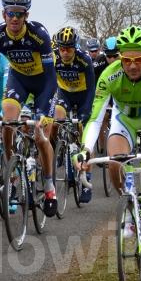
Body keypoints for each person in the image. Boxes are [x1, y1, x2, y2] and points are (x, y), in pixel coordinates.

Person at [75, 25, 141, 275]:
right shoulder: (109, 75)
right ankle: (130, 207)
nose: (132, 66)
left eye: (139, 60)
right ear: (120, 58)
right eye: (127, 60)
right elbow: (95, 118)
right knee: (115, 162)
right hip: (125, 122)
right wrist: (85, 149)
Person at [0, 0, 58, 217]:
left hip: (43, 83)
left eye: (20, 14)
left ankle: (49, 186)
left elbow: (51, 78)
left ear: (26, 16)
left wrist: (43, 111)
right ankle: (12, 171)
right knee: (7, 121)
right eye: (10, 13)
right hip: (19, 80)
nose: (14, 18)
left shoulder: (39, 34)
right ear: (3, 14)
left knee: (41, 136)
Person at [52, 26, 95, 203]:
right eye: (62, 48)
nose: (65, 52)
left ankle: (87, 181)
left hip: (83, 95)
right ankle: (58, 147)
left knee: (85, 139)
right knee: (56, 119)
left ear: (75, 47)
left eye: (69, 49)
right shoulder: (54, 58)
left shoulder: (84, 59)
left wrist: (87, 111)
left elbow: (91, 88)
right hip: (65, 94)